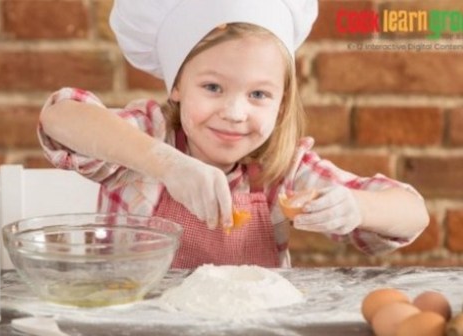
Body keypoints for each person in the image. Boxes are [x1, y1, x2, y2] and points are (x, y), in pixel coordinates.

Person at [38, 0, 429, 268]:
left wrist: (357, 207)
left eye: (258, 94)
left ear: (282, 100)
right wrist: (167, 164)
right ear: (177, 85)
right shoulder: (150, 134)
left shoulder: (282, 167)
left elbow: (412, 214)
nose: (235, 113)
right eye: (212, 88)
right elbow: (60, 118)